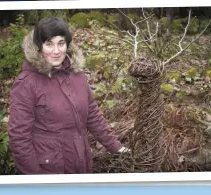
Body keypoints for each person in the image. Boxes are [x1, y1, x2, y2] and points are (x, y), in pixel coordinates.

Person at [8, 17, 130, 175]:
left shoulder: (77, 75)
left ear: (68, 44)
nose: (56, 51)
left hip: (81, 161)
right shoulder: (27, 83)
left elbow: (92, 115)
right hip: (49, 170)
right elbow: (19, 138)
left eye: (61, 43)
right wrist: (35, 180)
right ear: (39, 46)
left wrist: (116, 146)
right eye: (49, 44)